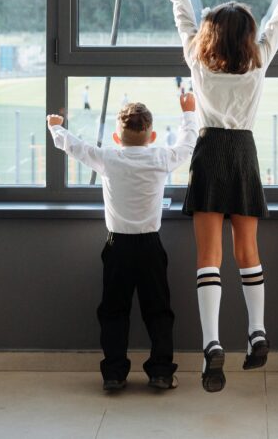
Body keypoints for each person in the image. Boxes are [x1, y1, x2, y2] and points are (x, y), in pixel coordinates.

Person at [169, 0, 278, 392]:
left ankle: (212, 343)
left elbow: (182, 19)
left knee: (208, 259)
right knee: (249, 253)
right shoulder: (258, 61)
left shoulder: (197, 60)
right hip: (243, 154)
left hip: (208, 151)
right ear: (247, 36)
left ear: (210, 35)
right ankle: (257, 330)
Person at [46, 93, 198, 392]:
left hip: (118, 248)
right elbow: (188, 144)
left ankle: (114, 373)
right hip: (150, 247)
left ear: (117, 137)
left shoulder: (109, 158)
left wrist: (56, 127)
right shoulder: (160, 157)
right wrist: (189, 112)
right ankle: (161, 372)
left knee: (114, 311)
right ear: (152, 135)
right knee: (159, 311)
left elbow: (76, 147)